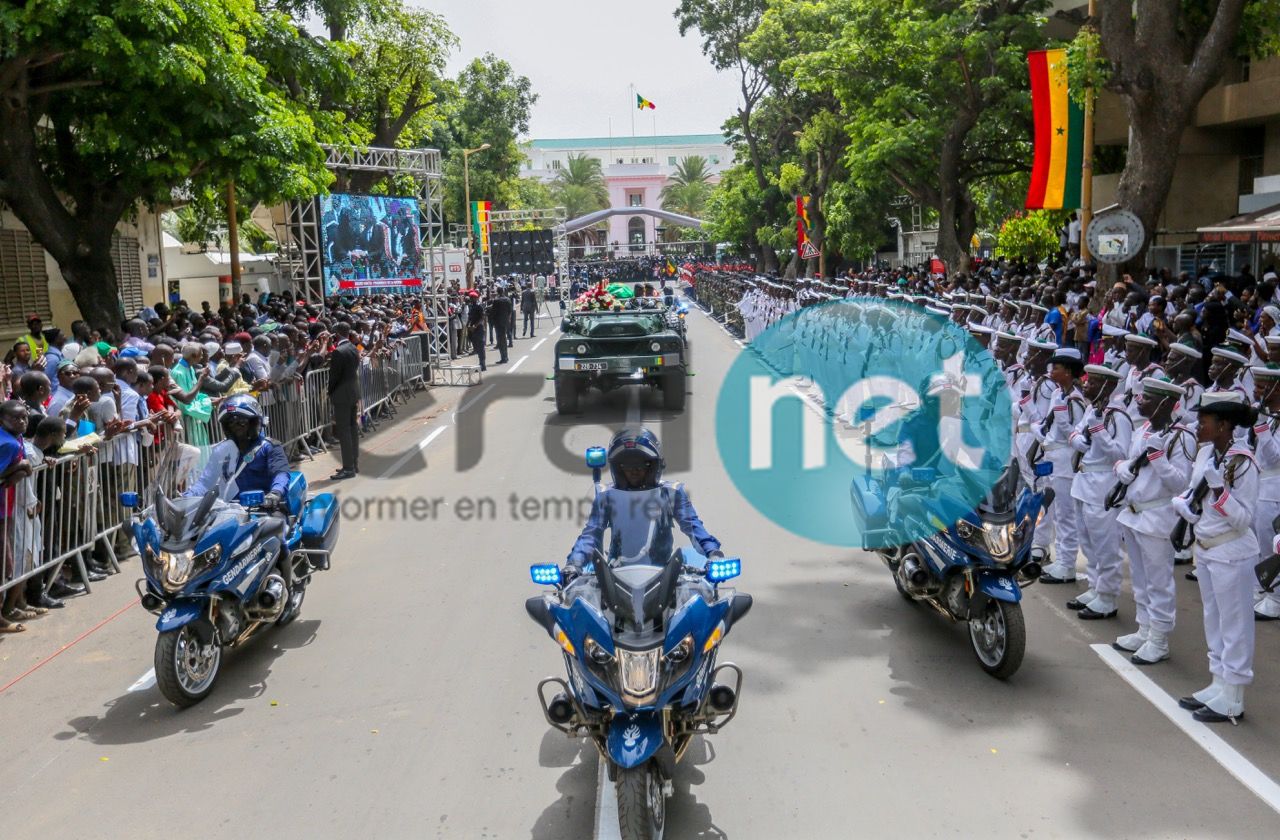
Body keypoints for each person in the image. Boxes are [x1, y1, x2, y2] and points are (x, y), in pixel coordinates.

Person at [1172, 392, 1258, 723]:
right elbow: (1193, 494)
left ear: (1223, 425)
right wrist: (1184, 505)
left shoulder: (1243, 462)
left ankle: (1234, 696)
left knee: (1235, 624)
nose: (1197, 426)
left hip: (1233, 551)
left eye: (1204, 421)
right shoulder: (1208, 453)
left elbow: (1243, 519)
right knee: (1215, 619)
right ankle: (1219, 682)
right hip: (1207, 549)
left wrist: (1220, 491)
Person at [565, 428, 722, 574]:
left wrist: (713, 553)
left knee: (706, 595)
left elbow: (693, 527)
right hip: (616, 572)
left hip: (665, 571)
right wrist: (574, 563)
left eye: (641, 465)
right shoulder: (607, 496)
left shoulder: (672, 493)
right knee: (575, 594)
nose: (634, 471)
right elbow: (591, 534)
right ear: (618, 468)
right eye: (626, 466)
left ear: (653, 466)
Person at [326, 323, 360, 480]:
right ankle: (353, 463)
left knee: (344, 431)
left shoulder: (338, 352)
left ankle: (348, 468)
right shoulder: (353, 347)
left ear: (337, 334)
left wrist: (330, 391)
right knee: (352, 429)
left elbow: (334, 377)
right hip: (353, 392)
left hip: (341, 395)